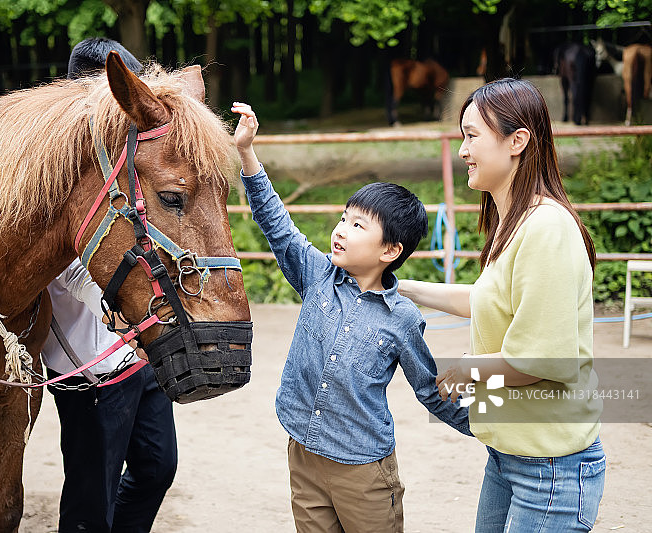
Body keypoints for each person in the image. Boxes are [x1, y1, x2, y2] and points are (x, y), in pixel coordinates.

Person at [231, 101, 471, 533]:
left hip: (364, 472)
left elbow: (429, 389)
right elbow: (277, 223)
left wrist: (494, 429)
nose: (341, 229)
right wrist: (247, 153)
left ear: (390, 251)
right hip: (303, 455)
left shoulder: (401, 318)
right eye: (344, 218)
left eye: (359, 226)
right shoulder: (317, 274)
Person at [397, 78, 605, 532]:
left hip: (549, 466)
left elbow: (542, 359)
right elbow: (488, 301)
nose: (462, 150)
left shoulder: (546, 228)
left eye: (472, 136)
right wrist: (403, 287)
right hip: (510, 455)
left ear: (517, 141)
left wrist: (466, 371)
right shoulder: (515, 223)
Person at [40, 38, 176, 533]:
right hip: (88, 360)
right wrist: (119, 302)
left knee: (158, 467)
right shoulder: (53, 161)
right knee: (89, 492)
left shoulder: (124, 159)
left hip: (138, 345)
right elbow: (56, 262)